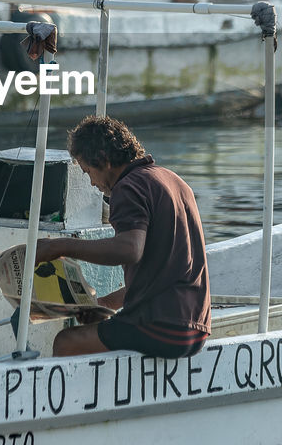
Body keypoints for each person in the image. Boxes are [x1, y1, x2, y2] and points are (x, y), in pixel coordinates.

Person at [34, 116, 210, 359]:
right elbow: (161, 274)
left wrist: (59, 246)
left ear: (103, 160)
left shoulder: (128, 187)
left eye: (88, 172)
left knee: (66, 341)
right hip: (195, 327)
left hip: (162, 326)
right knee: (97, 329)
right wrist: (105, 304)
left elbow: (130, 249)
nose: (92, 183)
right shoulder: (172, 180)